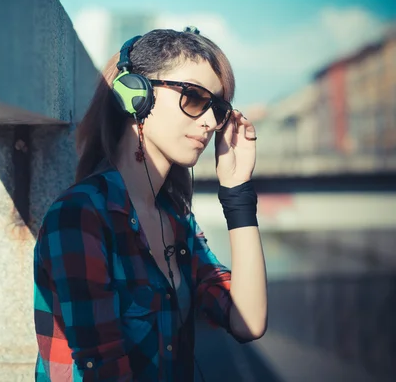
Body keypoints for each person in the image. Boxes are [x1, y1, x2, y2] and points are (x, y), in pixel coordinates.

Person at [33, 27, 268, 381]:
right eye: (193, 98)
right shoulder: (80, 218)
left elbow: (247, 321)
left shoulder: (175, 220)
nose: (209, 121)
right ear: (136, 95)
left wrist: (237, 190)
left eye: (217, 108)